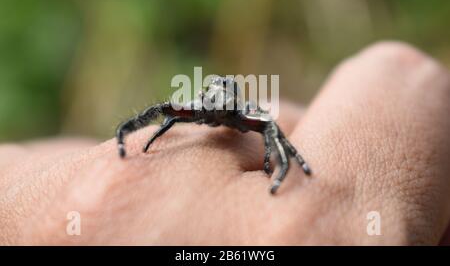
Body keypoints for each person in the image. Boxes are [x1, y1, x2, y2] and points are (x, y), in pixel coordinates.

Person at [1, 41, 449, 245]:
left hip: (240, 113)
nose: (207, 109)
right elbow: (162, 112)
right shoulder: (197, 108)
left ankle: (290, 170)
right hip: (216, 107)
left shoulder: (243, 111)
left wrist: (282, 164)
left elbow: (269, 127)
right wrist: (132, 139)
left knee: (274, 131)